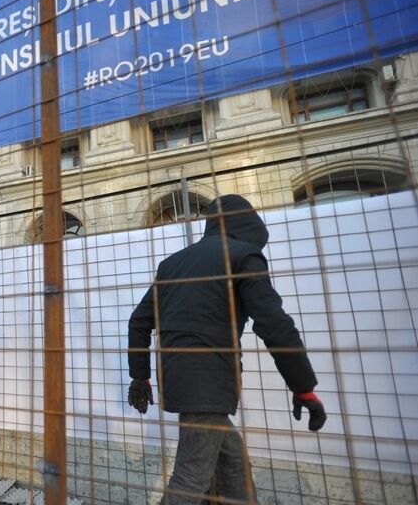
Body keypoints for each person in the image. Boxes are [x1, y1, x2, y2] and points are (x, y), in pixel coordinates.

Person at [126, 194, 327, 505]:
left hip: (177, 377)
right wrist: (303, 387)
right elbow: (274, 323)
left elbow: (139, 322)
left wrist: (141, 377)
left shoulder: (172, 264)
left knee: (232, 461)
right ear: (249, 227)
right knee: (191, 477)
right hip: (212, 378)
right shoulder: (242, 255)